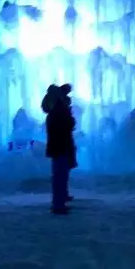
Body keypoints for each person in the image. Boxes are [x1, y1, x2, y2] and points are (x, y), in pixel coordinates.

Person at [44, 84, 76, 214]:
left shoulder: (54, 111)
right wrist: (71, 121)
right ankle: (58, 204)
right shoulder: (59, 111)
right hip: (61, 146)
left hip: (58, 146)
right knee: (60, 175)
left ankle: (59, 201)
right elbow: (65, 125)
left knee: (59, 174)